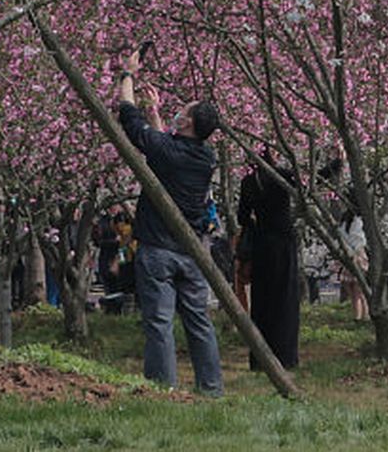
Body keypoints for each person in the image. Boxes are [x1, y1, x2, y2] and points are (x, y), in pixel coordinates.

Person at [113, 48, 224, 396]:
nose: (180, 113)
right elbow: (164, 150)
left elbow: (129, 119)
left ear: (188, 123)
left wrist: (127, 75)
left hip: (158, 251)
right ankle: (211, 388)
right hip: (192, 253)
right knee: (199, 323)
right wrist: (157, 113)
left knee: (159, 322)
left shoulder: (173, 152)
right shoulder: (206, 158)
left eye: (184, 111)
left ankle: (163, 389)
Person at [237, 157, 301, 370]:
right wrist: (337, 163)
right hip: (283, 243)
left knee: (262, 303)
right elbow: (311, 181)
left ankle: (260, 358)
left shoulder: (248, 182)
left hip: (262, 245)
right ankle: (286, 357)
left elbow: (242, 217)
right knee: (285, 301)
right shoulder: (281, 175)